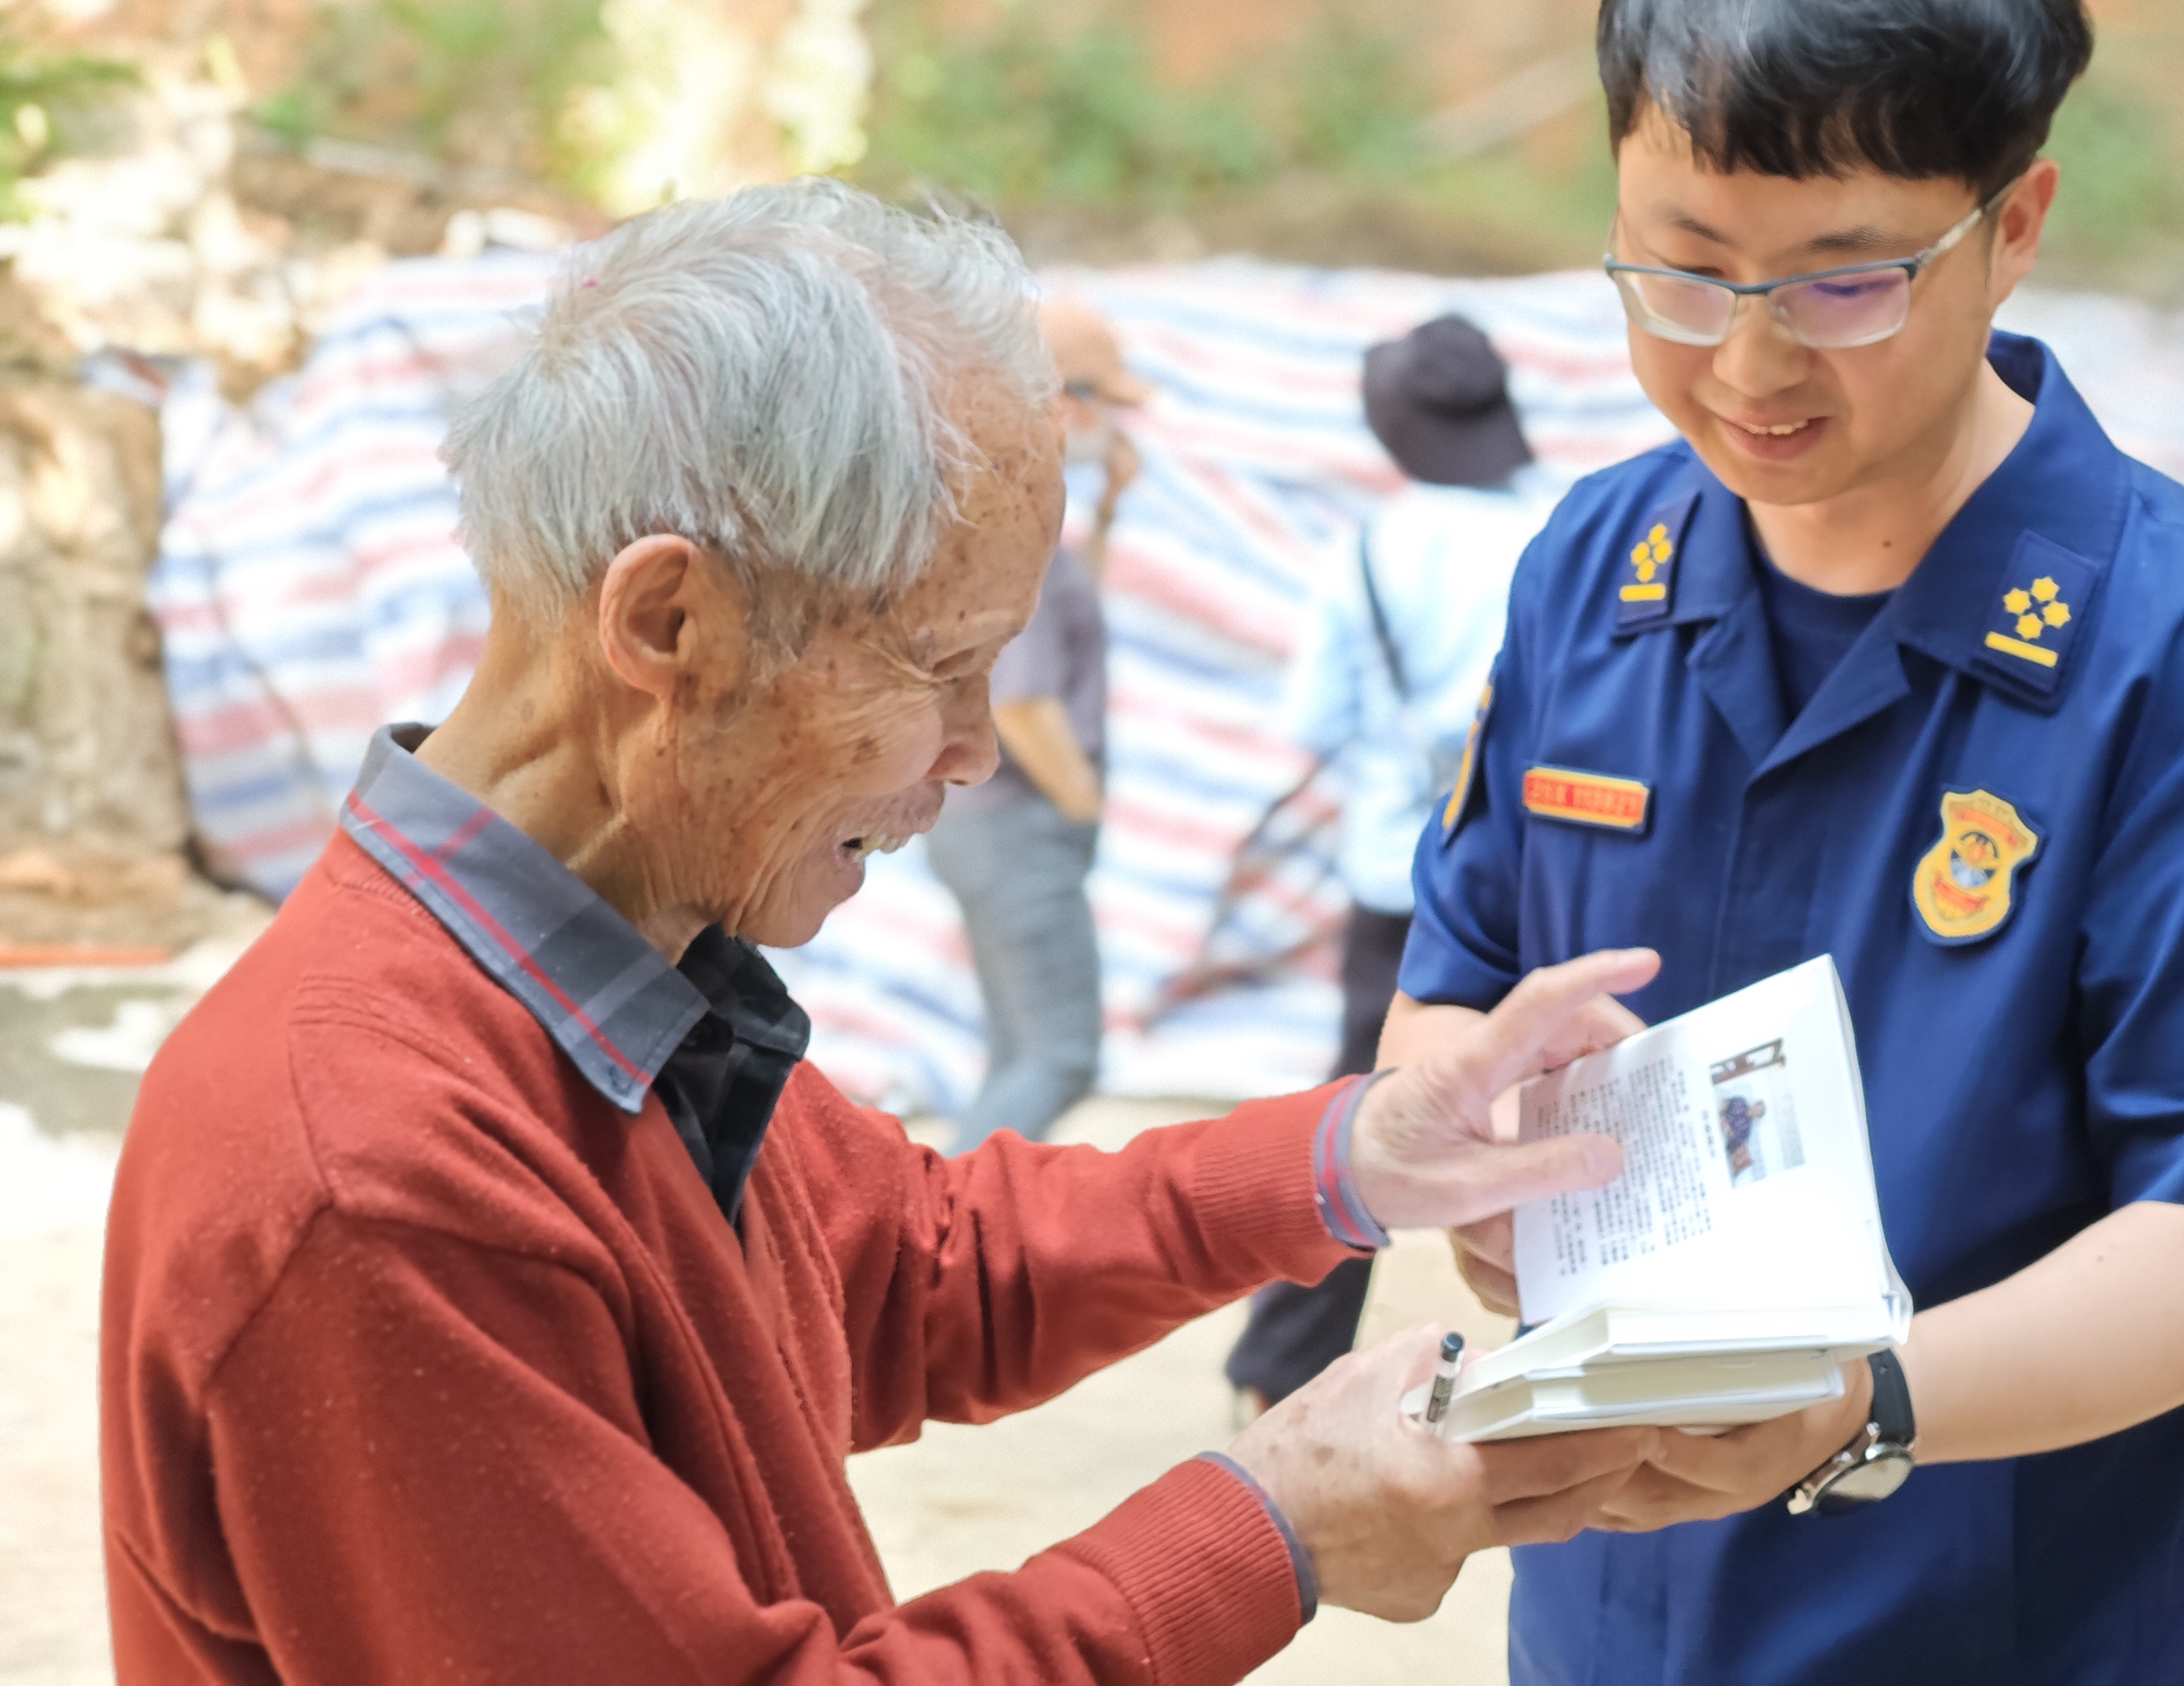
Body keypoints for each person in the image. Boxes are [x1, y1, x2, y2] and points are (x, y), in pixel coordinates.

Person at [96, 179, 1668, 1685]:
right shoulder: (372, 1179)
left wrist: (1359, 1153)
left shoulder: (608, 963)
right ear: (669, 626)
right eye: (938, 664)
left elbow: (921, 1268)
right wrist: (1273, 1530)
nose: (976, 750)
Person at [1385, 0, 2184, 1683]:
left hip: (1985, 1624)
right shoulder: (1588, 578)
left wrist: (1852, 1405)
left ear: (2012, 228)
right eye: (1681, 273)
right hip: (1607, 1621)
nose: (1749, 363)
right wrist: (1461, 1139)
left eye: (1844, 282)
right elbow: (1450, 987)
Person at [1227, 313, 1556, 1408]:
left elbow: (1310, 720)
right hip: (1550, 879)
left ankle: (1281, 1368)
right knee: (1576, 1111)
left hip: (1400, 883)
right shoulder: (1565, 533)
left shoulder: (1372, 547)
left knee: (1358, 1125)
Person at [925, 294, 1138, 1148]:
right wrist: (1081, 802)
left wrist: (1112, 513)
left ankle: (952, 1236)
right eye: (1108, 406)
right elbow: (1020, 698)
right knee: (1059, 1054)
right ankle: (936, 1235)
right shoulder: (1018, 526)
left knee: (1018, 1047)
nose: (1116, 428)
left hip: (983, 826)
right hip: (1018, 825)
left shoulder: (998, 508)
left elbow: (1061, 623)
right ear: (1065, 403)